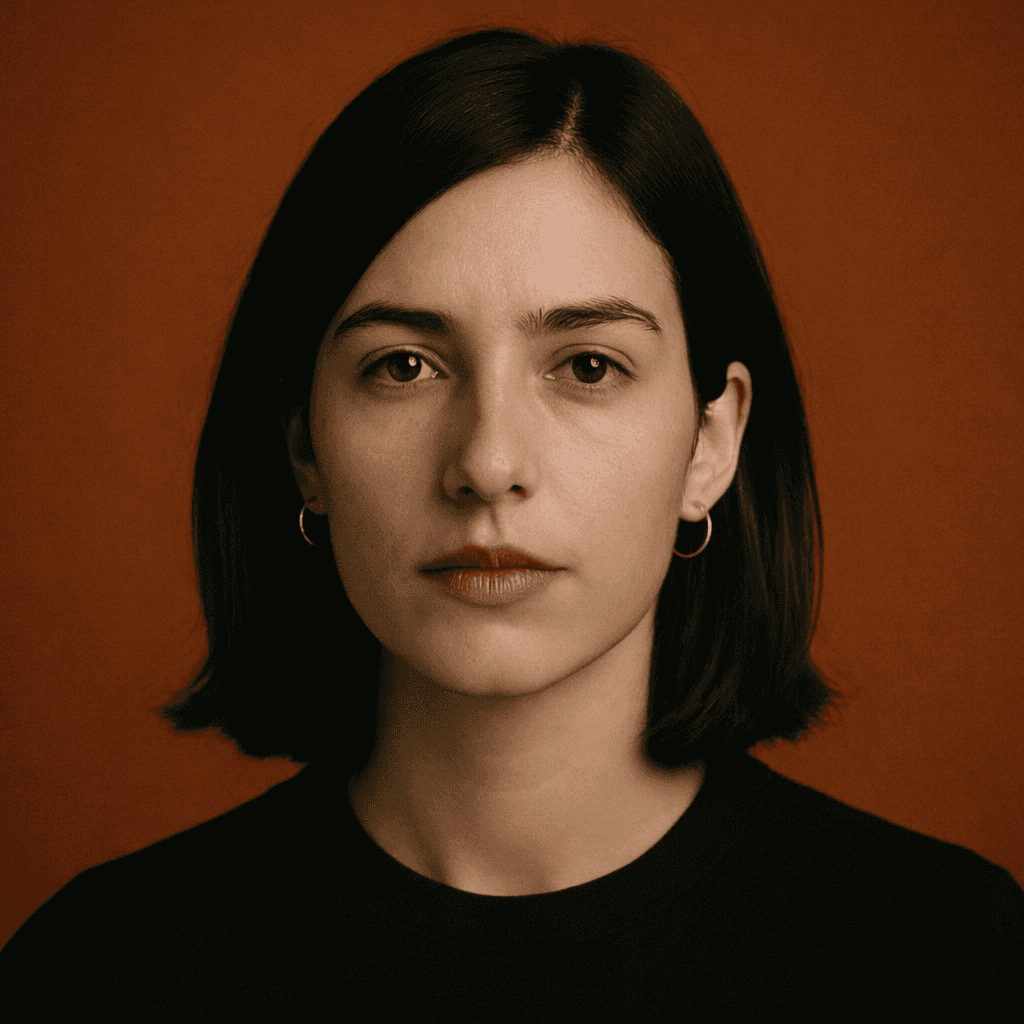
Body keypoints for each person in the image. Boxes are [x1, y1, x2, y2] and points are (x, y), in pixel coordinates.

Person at [1, 26, 1020, 1021]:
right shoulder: (94, 975)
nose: (487, 462)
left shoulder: (953, 961)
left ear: (710, 445)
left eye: (587, 366)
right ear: (304, 450)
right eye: (403, 366)